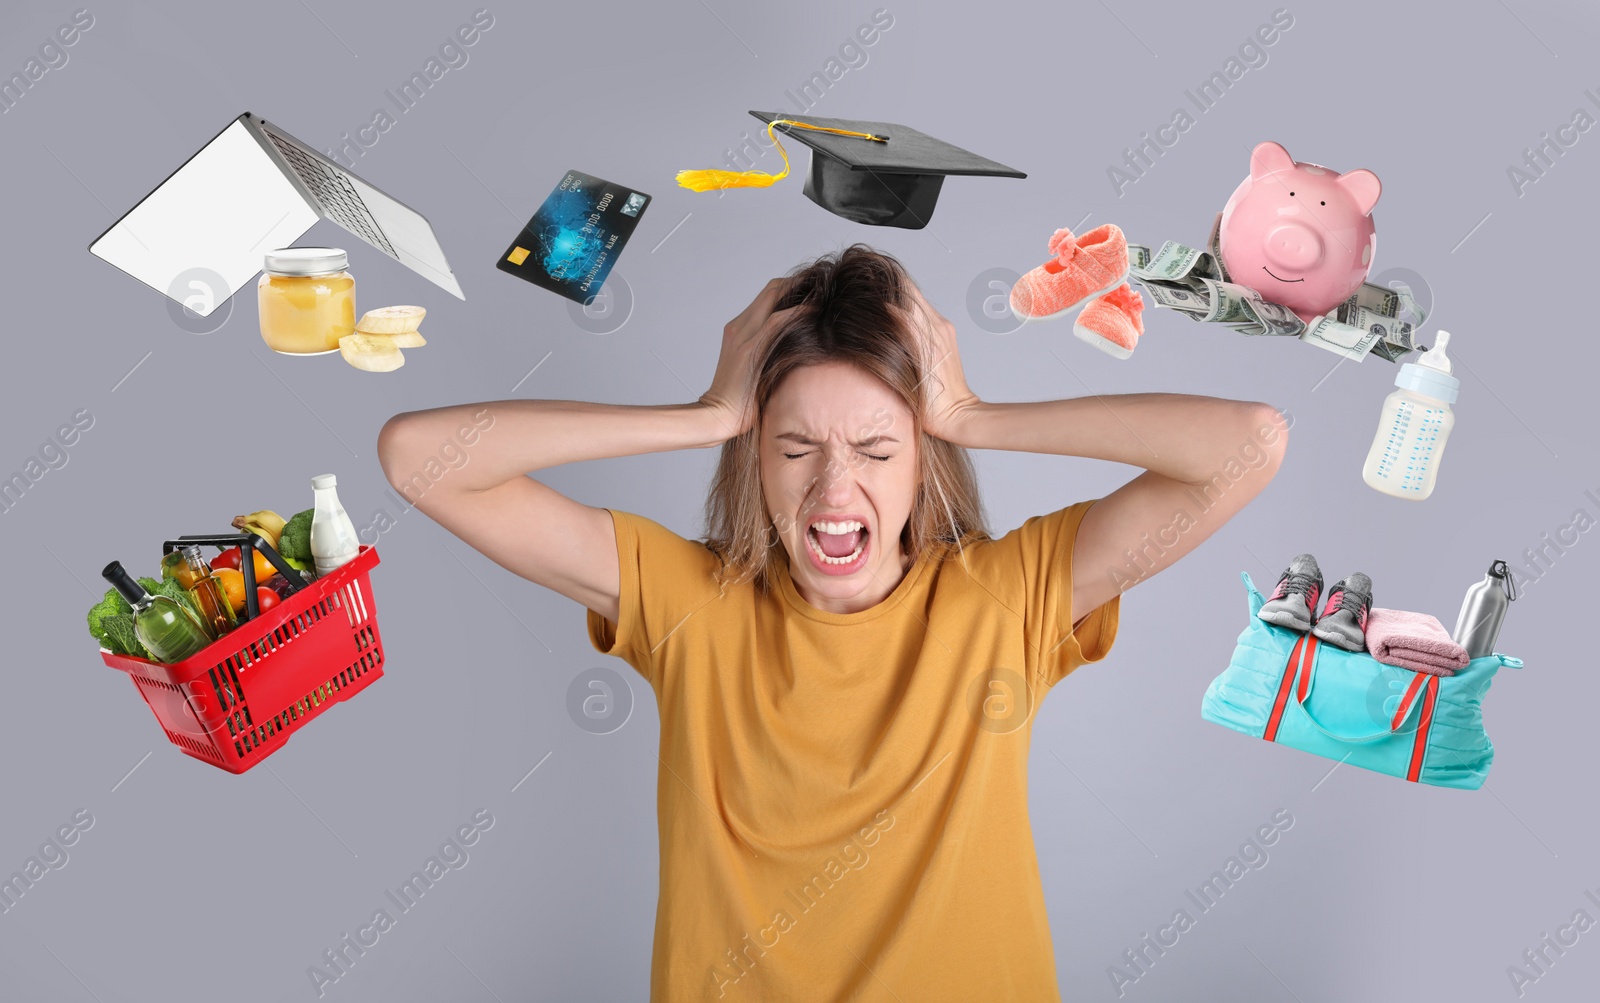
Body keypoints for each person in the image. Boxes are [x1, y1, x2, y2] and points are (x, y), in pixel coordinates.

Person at [376, 244, 1288, 1001]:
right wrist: (707, 413)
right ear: (755, 457)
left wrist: (972, 413)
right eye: (795, 447)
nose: (834, 490)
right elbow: (420, 457)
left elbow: (1250, 442)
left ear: (924, 460)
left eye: (878, 449)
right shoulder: (687, 601)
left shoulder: (1008, 596)